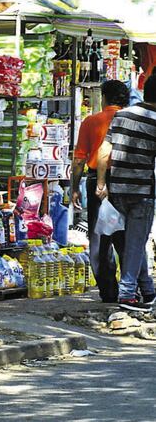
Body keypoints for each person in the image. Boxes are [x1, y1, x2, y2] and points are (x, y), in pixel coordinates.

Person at [96, 75, 156, 312]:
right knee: (135, 242)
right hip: (142, 191)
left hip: (118, 188)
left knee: (133, 242)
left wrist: (102, 182)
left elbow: (105, 149)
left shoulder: (122, 115)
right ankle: (128, 293)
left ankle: (148, 289)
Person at [71, 80, 129, 302]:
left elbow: (79, 160)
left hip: (98, 183)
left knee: (100, 239)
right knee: (125, 237)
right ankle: (129, 289)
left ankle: (108, 291)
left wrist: (74, 188)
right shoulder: (131, 120)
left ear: (104, 97)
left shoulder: (92, 121)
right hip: (128, 182)